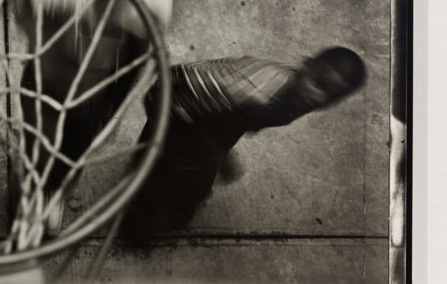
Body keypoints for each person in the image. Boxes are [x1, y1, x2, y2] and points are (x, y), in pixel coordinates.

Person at [16, 0, 172, 235]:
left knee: (74, 151)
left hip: (99, 91)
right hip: (48, 82)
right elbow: (26, 13)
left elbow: (139, 56)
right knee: (38, 143)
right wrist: (55, 57)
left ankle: (54, 191)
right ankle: (33, 190)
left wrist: (113, 100)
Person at [122, 47, 368, 244]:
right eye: (319, 84)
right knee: (157, 180)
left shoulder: (297, 96)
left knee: (191, 184)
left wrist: (222, 149)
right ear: (306, 65)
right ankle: (136, 224)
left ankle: (170, 204)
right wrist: (165, 134)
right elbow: (170, 87)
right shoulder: (250, 90)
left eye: (333, 96)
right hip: (179, 123)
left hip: (212, 131)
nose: (319, 98)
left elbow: (233, 120)